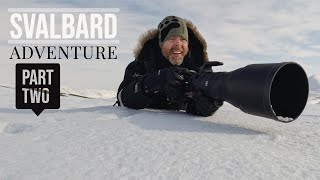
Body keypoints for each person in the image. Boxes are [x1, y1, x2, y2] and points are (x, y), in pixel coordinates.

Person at [116, 15, 222, 116]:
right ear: (161, 44)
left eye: (183, 39)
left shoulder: (198, 65)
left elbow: (198, 107)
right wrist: (152, 81)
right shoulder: (142, 63)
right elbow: (122, 98)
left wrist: (206, 106)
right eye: (171, 39)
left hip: (182, 129)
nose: (178, 44)